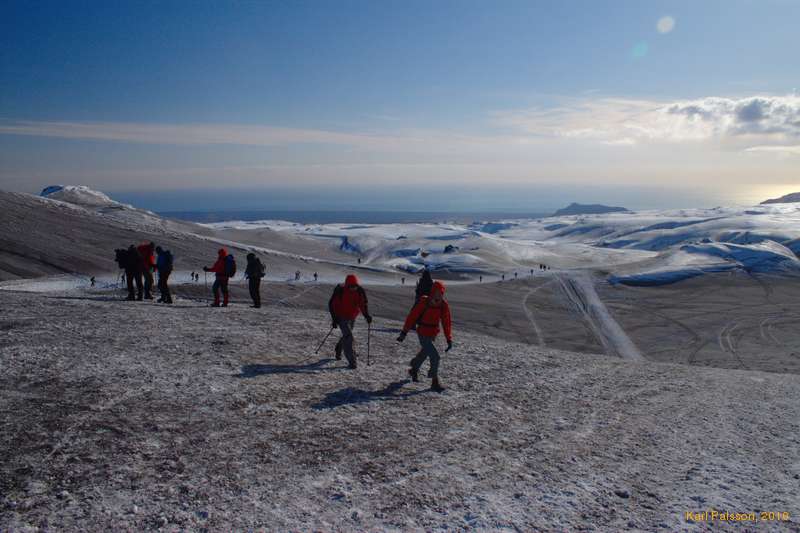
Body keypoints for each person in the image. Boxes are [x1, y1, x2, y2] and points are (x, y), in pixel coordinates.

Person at [397, 281, 452, 392]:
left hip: (433, 333)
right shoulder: (424, 301)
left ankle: (414, 369)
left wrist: (448, 338)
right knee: (435, 356)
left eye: (440, 293)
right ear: (432, 292)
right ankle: (434, 382)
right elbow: (412, 317)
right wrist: (404, 332)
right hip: (422, 332)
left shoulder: (443, 305)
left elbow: (446, 322)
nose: (438, 295)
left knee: (424, 353)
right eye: (436, 293)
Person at [328, 274, 373, 369]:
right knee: (349, 337)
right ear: (347, 285)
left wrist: (366, 315)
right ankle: (352, 362)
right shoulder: (340, 291)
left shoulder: (360, 291)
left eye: (355, 286)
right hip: (341, 317)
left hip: (352, 317)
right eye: (351, 286)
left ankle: (339, 347)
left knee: (346, 335)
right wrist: (334, 319)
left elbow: (363, 304)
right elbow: (332, 305)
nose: (354, 288)